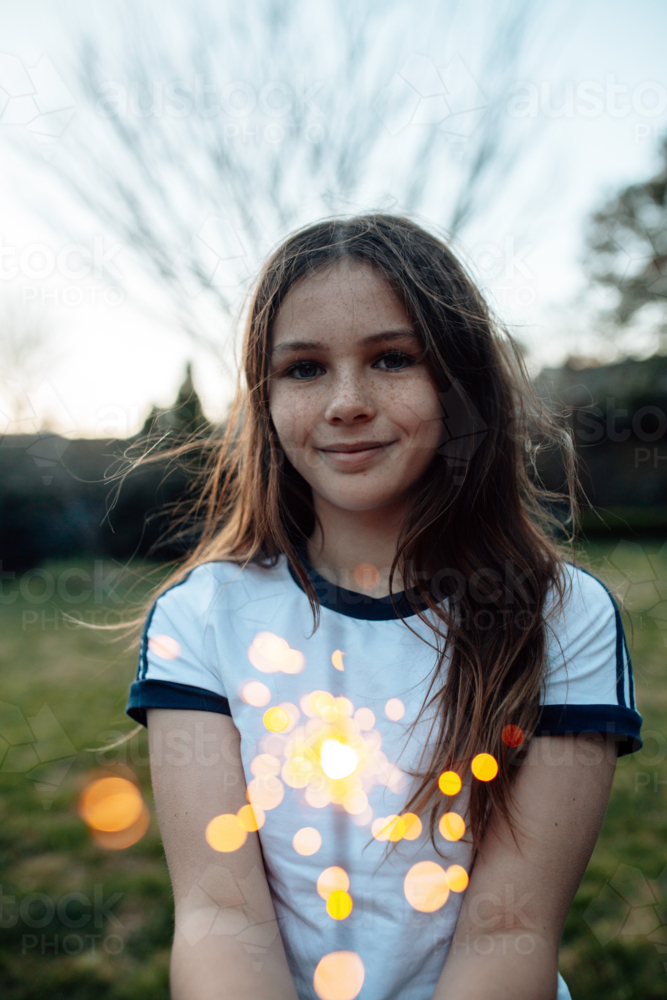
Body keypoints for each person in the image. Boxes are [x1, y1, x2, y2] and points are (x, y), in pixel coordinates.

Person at [125, 213, 643, 1000]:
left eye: (391, 359)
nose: (345, 402)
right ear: (263, 398)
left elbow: (511, 928)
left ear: (457, 383)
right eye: (303, 369)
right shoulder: (201, 617)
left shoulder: (561, 615)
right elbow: (219, 919)